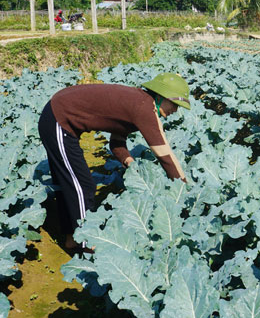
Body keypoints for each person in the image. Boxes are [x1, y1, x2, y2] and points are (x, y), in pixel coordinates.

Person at [38, 73, 190, 250]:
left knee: (68, 183)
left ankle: (72, 239)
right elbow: (165, 155)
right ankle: (86, 243)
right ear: (163, 96)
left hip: (58, 116)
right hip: (59, 119)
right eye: (175, 104)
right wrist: (182, 189)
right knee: (82, 186)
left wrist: (131, 164)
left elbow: (117, 144)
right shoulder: (144, 108)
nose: (175, 110)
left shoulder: (139, 102)